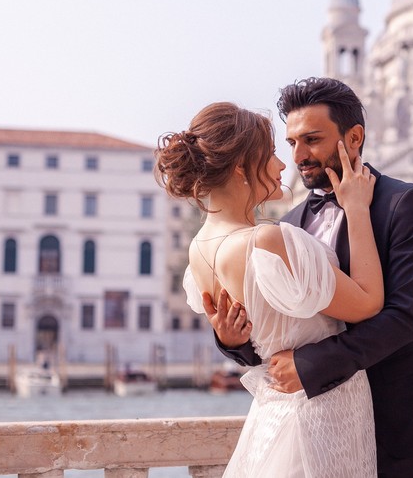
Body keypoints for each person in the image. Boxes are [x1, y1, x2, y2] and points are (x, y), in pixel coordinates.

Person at [208, 78, 413, 477]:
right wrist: (233, 341)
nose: (299, 155)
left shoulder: (407, 203)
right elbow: (282, 329)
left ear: (354, 137)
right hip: (329, 424)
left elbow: (406, 316)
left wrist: (311, 364)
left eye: (312, 140)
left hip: (410, 418)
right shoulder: (288, 224)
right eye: (292, 142)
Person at [156, 102, 384, 477]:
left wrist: (232, 341)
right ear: (242, 168)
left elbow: (249, 334)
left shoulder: (198, 251)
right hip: (321, 416)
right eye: (273, 153)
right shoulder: (268, 239)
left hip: (273, 413)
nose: (284, 165)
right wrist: (357, 209)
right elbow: (368, 303)